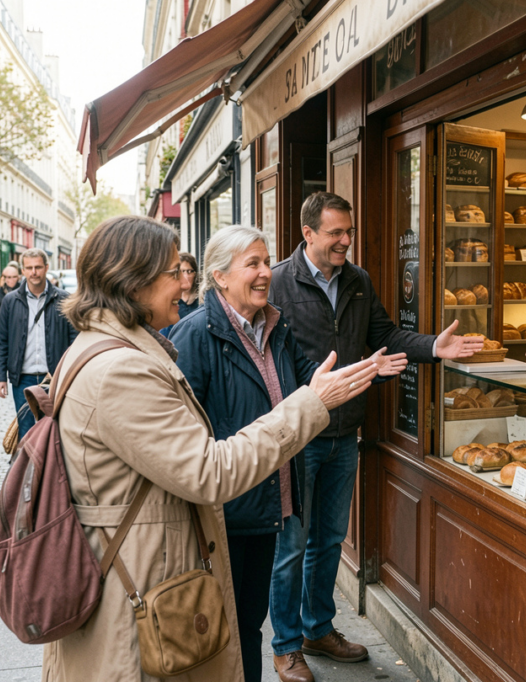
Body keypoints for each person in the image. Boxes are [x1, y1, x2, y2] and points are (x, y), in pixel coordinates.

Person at [43, 215, 380, 682]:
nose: (184, 282)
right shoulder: (122, 368)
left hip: (159, 561)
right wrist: (312, 403)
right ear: (133, 281)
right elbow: (208, 471)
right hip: (136, 585)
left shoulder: (114, 349)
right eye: (171, 272)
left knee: (244, 628)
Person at [170, 226, 406, 682]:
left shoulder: (275, 327)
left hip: (271, 503)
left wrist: (366, 370)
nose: (265, 274)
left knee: (249, 625)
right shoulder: (196, 335)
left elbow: (310, 384)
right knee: (224, 633)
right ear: (218, 276)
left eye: (265, 262)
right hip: (226, 511)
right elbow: (186, 438)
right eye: (252, 265)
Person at [267, 191, 483, 682]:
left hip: (345, 435)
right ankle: (284, 646)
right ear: (307, 233)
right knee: (292, 544)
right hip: (299, 435)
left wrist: (433, 346)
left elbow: (386, 337)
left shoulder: (358, 281)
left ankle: (317, 629)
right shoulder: (279, 283)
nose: (346, 241)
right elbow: (269, 361)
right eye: (335, 233)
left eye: (349, 232)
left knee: (328, 539)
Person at [0, 249, 77, 440]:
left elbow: (75, 340)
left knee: (54, 431)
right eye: (29, 268)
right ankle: (28, 470)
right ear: (23, 270)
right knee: (27, 433)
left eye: (38, 267)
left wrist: (68, 373)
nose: (34, 272)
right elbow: (1, 342)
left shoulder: (63, 299)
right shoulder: (10, 300)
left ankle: (50, 470)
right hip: (23, 378)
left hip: (54, 378)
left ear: (46, 268)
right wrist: (0, 378)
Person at [159, 252, 200, 336]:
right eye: (181, 272)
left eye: (189, 271)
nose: (185, 276)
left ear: (195, 274)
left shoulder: (202, 299)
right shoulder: (171, 301)